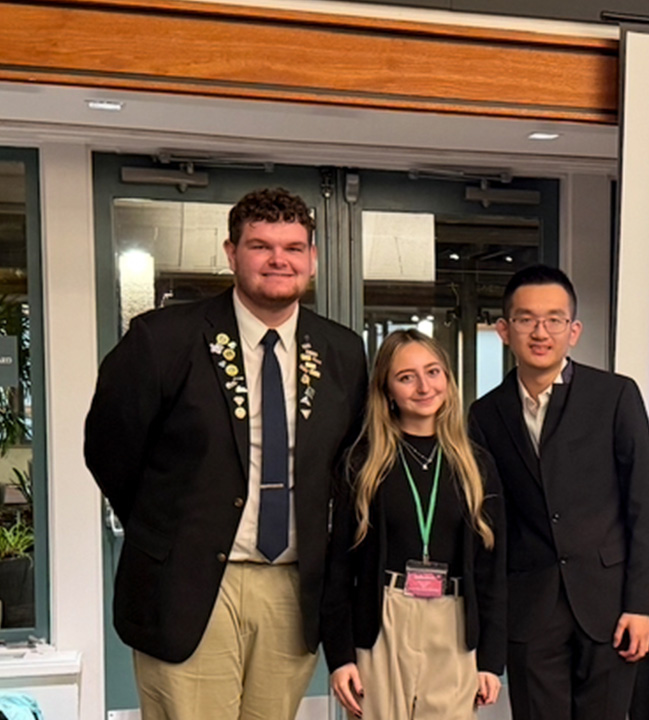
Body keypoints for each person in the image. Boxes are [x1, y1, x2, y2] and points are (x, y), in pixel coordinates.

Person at [84, 188, 368, 720]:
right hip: (189, 586)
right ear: (231, 252)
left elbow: (348, 468)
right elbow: (109, 449)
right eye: (260, 245)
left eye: (293, 246)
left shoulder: (343, 351)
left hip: (290, 588)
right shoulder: (163, 338)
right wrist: (167, 530)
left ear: (312, 259)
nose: (278, 259)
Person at [468, 265, 649, 720]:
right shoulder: (485, 414)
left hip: (609, 605)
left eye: (554, 319)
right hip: (530, 610)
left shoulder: (615, 395)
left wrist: (643, 604)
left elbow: (646, 505)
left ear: (573, 330)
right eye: (525, 319)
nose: (541, 332)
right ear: (504, 329)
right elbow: (491, 524)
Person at [323, 329, 506, 720]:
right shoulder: (363, 464)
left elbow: (493, 571)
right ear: (387, 390)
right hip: (383, 618)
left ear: (448, 380)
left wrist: (491, 659)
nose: (424, 387)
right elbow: (338, 568)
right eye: (406, 377)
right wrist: (339, 657)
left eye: (433, 372)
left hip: (453, 624)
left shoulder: (477, 466)